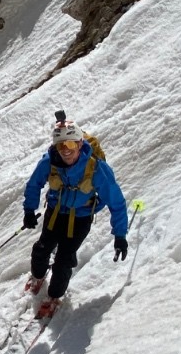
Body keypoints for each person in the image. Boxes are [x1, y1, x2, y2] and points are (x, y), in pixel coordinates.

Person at [22, 111, 129, 317]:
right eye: (61, 145)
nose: (66, 151)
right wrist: (29, 210)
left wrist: (120, 235)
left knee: (64, 260)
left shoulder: (96, 169)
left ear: (80, 144)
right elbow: (34, 185)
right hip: (54, 214)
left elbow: (116, 201)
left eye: (70, 145)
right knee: (41, 249)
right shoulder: (49, 162)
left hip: (80, 219)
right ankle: (37, 276)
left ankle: (54, 296)